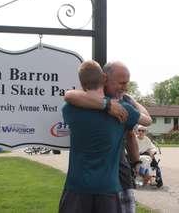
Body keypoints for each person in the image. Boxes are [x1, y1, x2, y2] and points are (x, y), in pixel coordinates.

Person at [59, 60, 149, 213]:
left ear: (81, 82)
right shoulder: (123, 110)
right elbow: (147, 120)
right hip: (108, 190)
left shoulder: (70, 109)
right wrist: (131, 100)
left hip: (75, 189)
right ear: (104, 79)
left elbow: (69, 96)